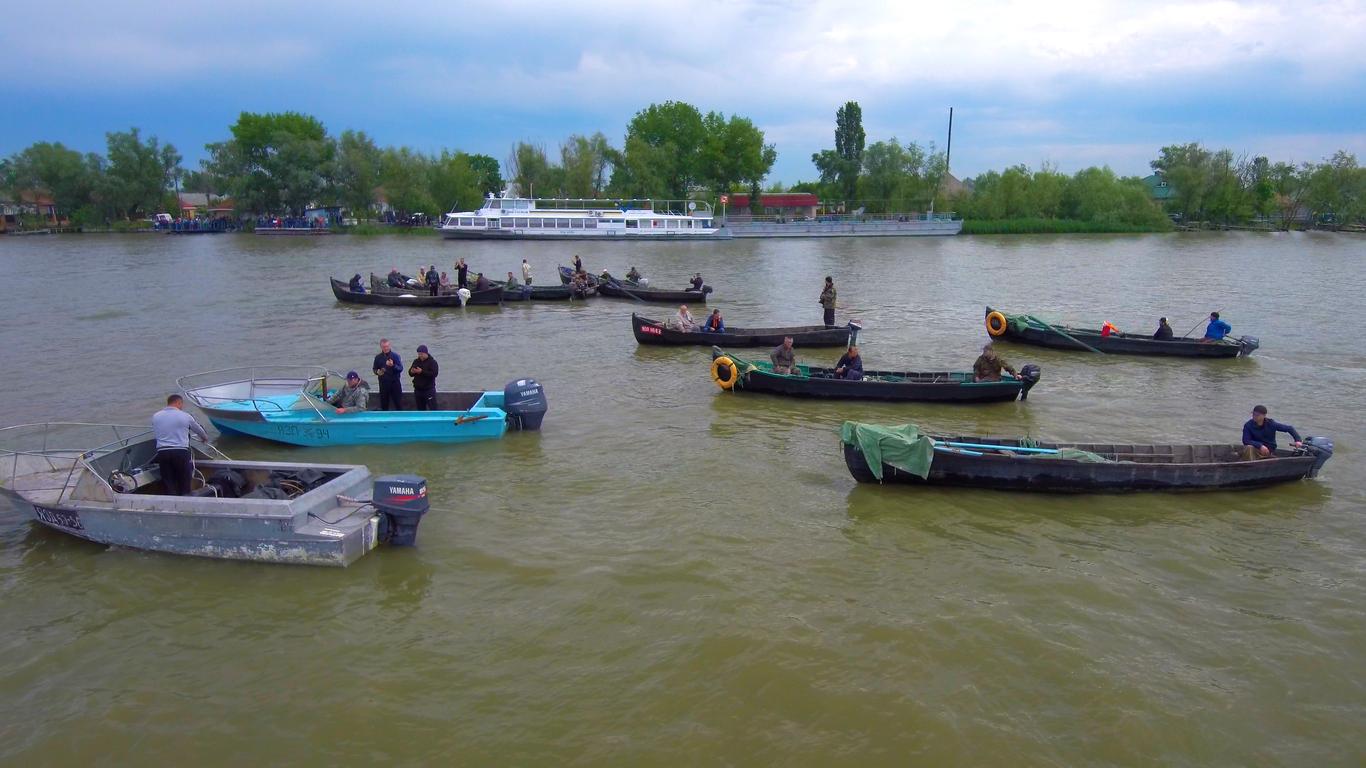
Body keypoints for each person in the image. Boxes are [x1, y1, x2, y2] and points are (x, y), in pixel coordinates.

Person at [152, 394, 210, 496]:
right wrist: (204, 438)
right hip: (180, 451)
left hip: (162, 452)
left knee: (168, 480)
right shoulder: (185, 416)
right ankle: (185, 501)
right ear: (178, 402)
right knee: (184, 479)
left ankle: (171, 502)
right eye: (181, 404)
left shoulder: (156, 416)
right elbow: (199, 430)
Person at [373, 338, 404, 410]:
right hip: (383, 384)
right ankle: (384, 419)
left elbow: (400, 369)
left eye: (387, 346)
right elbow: (374, 369)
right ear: (381, 347)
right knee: (384, 405)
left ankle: (400, 418)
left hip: (395, 384)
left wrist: (392, 365)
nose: (386, 348)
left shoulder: (395, 356)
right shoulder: (378, 357)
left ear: (390, 346)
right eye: (384, 347)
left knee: (398, 404)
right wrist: (377, 372)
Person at [409, 345, 439, 410]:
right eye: (419, 354)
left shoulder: (432, 362)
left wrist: (422, 372)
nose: (420, 356)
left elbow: (434, 374)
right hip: (418, 390)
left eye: (421, 354)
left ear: (426, 353)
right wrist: (412, 371)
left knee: (433, 408)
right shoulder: (416, 361)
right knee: (420, 409)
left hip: (429, 390)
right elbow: (410, 374)